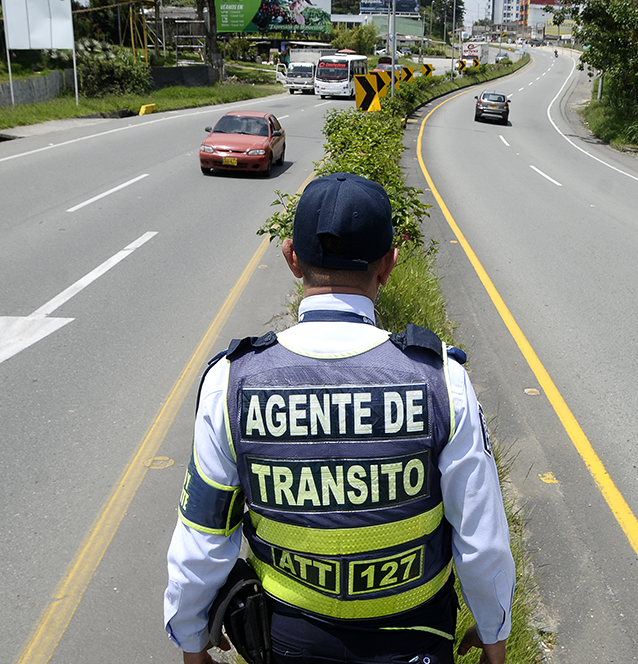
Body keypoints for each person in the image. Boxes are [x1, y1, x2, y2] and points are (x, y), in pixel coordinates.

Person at [164, 173, 515, 664]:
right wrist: (493, 631)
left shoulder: (232, 383)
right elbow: (481, 537)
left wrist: (191, 637)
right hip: (415, 642)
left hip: (286, 643)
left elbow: (202, 539)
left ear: (291, 258)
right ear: (390, 264)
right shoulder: (441, 381)